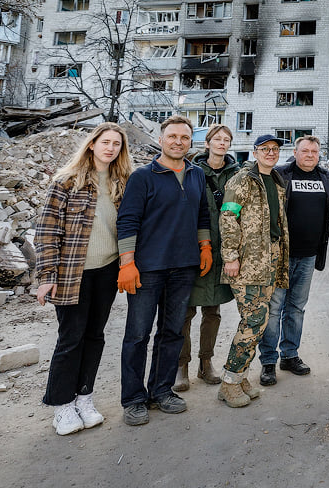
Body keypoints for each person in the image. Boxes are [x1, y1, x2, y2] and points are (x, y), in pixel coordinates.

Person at [34, 122, 133, 436]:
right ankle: (62, 406)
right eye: (105, 142)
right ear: (92, 144)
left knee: (95, 336)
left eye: (116, 144)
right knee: (70, 339)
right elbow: (47, 232)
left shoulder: (123, 183)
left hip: (106, 271)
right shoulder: (67, 181)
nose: (110, 148)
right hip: (71, 273)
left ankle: (84, 398)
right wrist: (46, 276)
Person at [116, 116, 212, 426]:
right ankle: (133, 398)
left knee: (172, 332)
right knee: (137, 335)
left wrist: (205, 246)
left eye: (184, 137)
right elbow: (127, 221)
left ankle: (161, 390)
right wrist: (127, 263)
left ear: (190, 142)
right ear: (161, 139)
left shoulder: (197, 175)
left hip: (183, 268)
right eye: (172, 136)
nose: (178, 142)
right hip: (148, 269)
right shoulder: (143, 177)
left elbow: (202, 215)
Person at [216, 134, 290, 407]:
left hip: (269, 261)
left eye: (275, 149)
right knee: (254, 321)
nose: (271, 153)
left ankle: (240, 376)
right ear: (255, 152)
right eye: (265, 149)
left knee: (258, 322)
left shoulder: (276, 182)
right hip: (247, 263)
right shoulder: (242, 179)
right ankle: (229, 382)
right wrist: (231, 257)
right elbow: (228, 217)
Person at [259, 135, 329, 385]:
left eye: (314, 151)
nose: (310, 154)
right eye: (305, 151)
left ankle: (290, 355)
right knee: (274, 308)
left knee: (297, 308)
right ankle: (268, 361)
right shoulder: (280, 174)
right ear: (296, 152)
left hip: (309, 255)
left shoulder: (325, 178)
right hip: (281, 255)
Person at [174, 124, 239, 392]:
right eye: (217, 139)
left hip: (224, 249)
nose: (222, 143)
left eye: (226, 140)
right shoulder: (191, 171)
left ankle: (206, 363)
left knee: (213, 309)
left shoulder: (236, 174)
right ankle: (181, 366)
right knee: (185, 311)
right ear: (208, 143)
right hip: (193, 247)